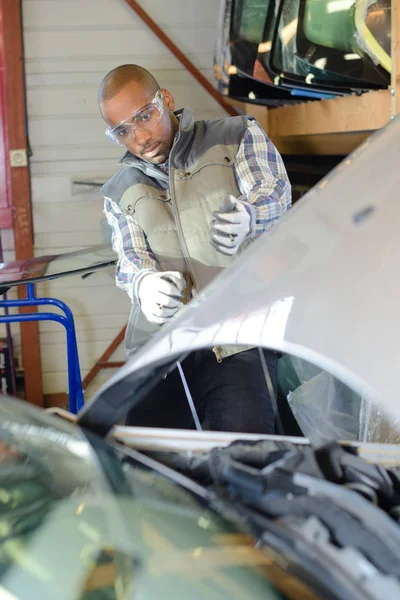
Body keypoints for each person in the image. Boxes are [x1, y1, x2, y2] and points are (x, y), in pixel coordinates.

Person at [99, 64, 291, 433]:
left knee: (244, 456)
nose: (140, 136)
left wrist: (250, 216)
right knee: (147, 462)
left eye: (145, 116)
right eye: (122, 130)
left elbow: (277, 195)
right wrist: (143, 284)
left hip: (239, 336)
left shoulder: (235, 135)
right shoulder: (118, 190)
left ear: (165, 99)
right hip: (162, 346)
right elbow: (131, 257)